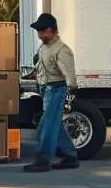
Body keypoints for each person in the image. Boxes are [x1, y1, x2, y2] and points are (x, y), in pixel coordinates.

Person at [24, 12, 80, 173]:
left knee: (46, 125)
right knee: (56, 125)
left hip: (57, 89)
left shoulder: (62, 50)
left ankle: (42, 159)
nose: (39, 35)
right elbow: (41, 66)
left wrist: (70, 93)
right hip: (47, 89)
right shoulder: (45, 47)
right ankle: (70, 157)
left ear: (49, 30)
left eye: (41, 31)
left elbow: (69, 75)